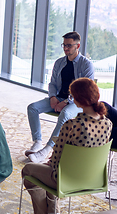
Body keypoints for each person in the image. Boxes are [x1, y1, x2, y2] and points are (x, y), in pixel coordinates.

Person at [22, 78, 112, 214]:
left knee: (28, 170)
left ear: (77, 100)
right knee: (52, 171)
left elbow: (56, 160)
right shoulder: (107, 123)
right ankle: (53, 213)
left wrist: (49, 164)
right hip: (94, 179)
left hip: (66, 180)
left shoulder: (73, 125)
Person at [26, 31, 94, 163]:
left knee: (65, 113)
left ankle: (46, 150)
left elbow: (85, 89)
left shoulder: (86, 65)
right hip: (58, 98)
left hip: (78, 102)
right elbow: (52, 83)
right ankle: (37, 142)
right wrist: (52, 97)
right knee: (32, 108)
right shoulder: (59, 62)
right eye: (64, 45)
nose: (65, 48)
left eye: (69, 45)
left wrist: (67, 102)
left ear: (77, 46)